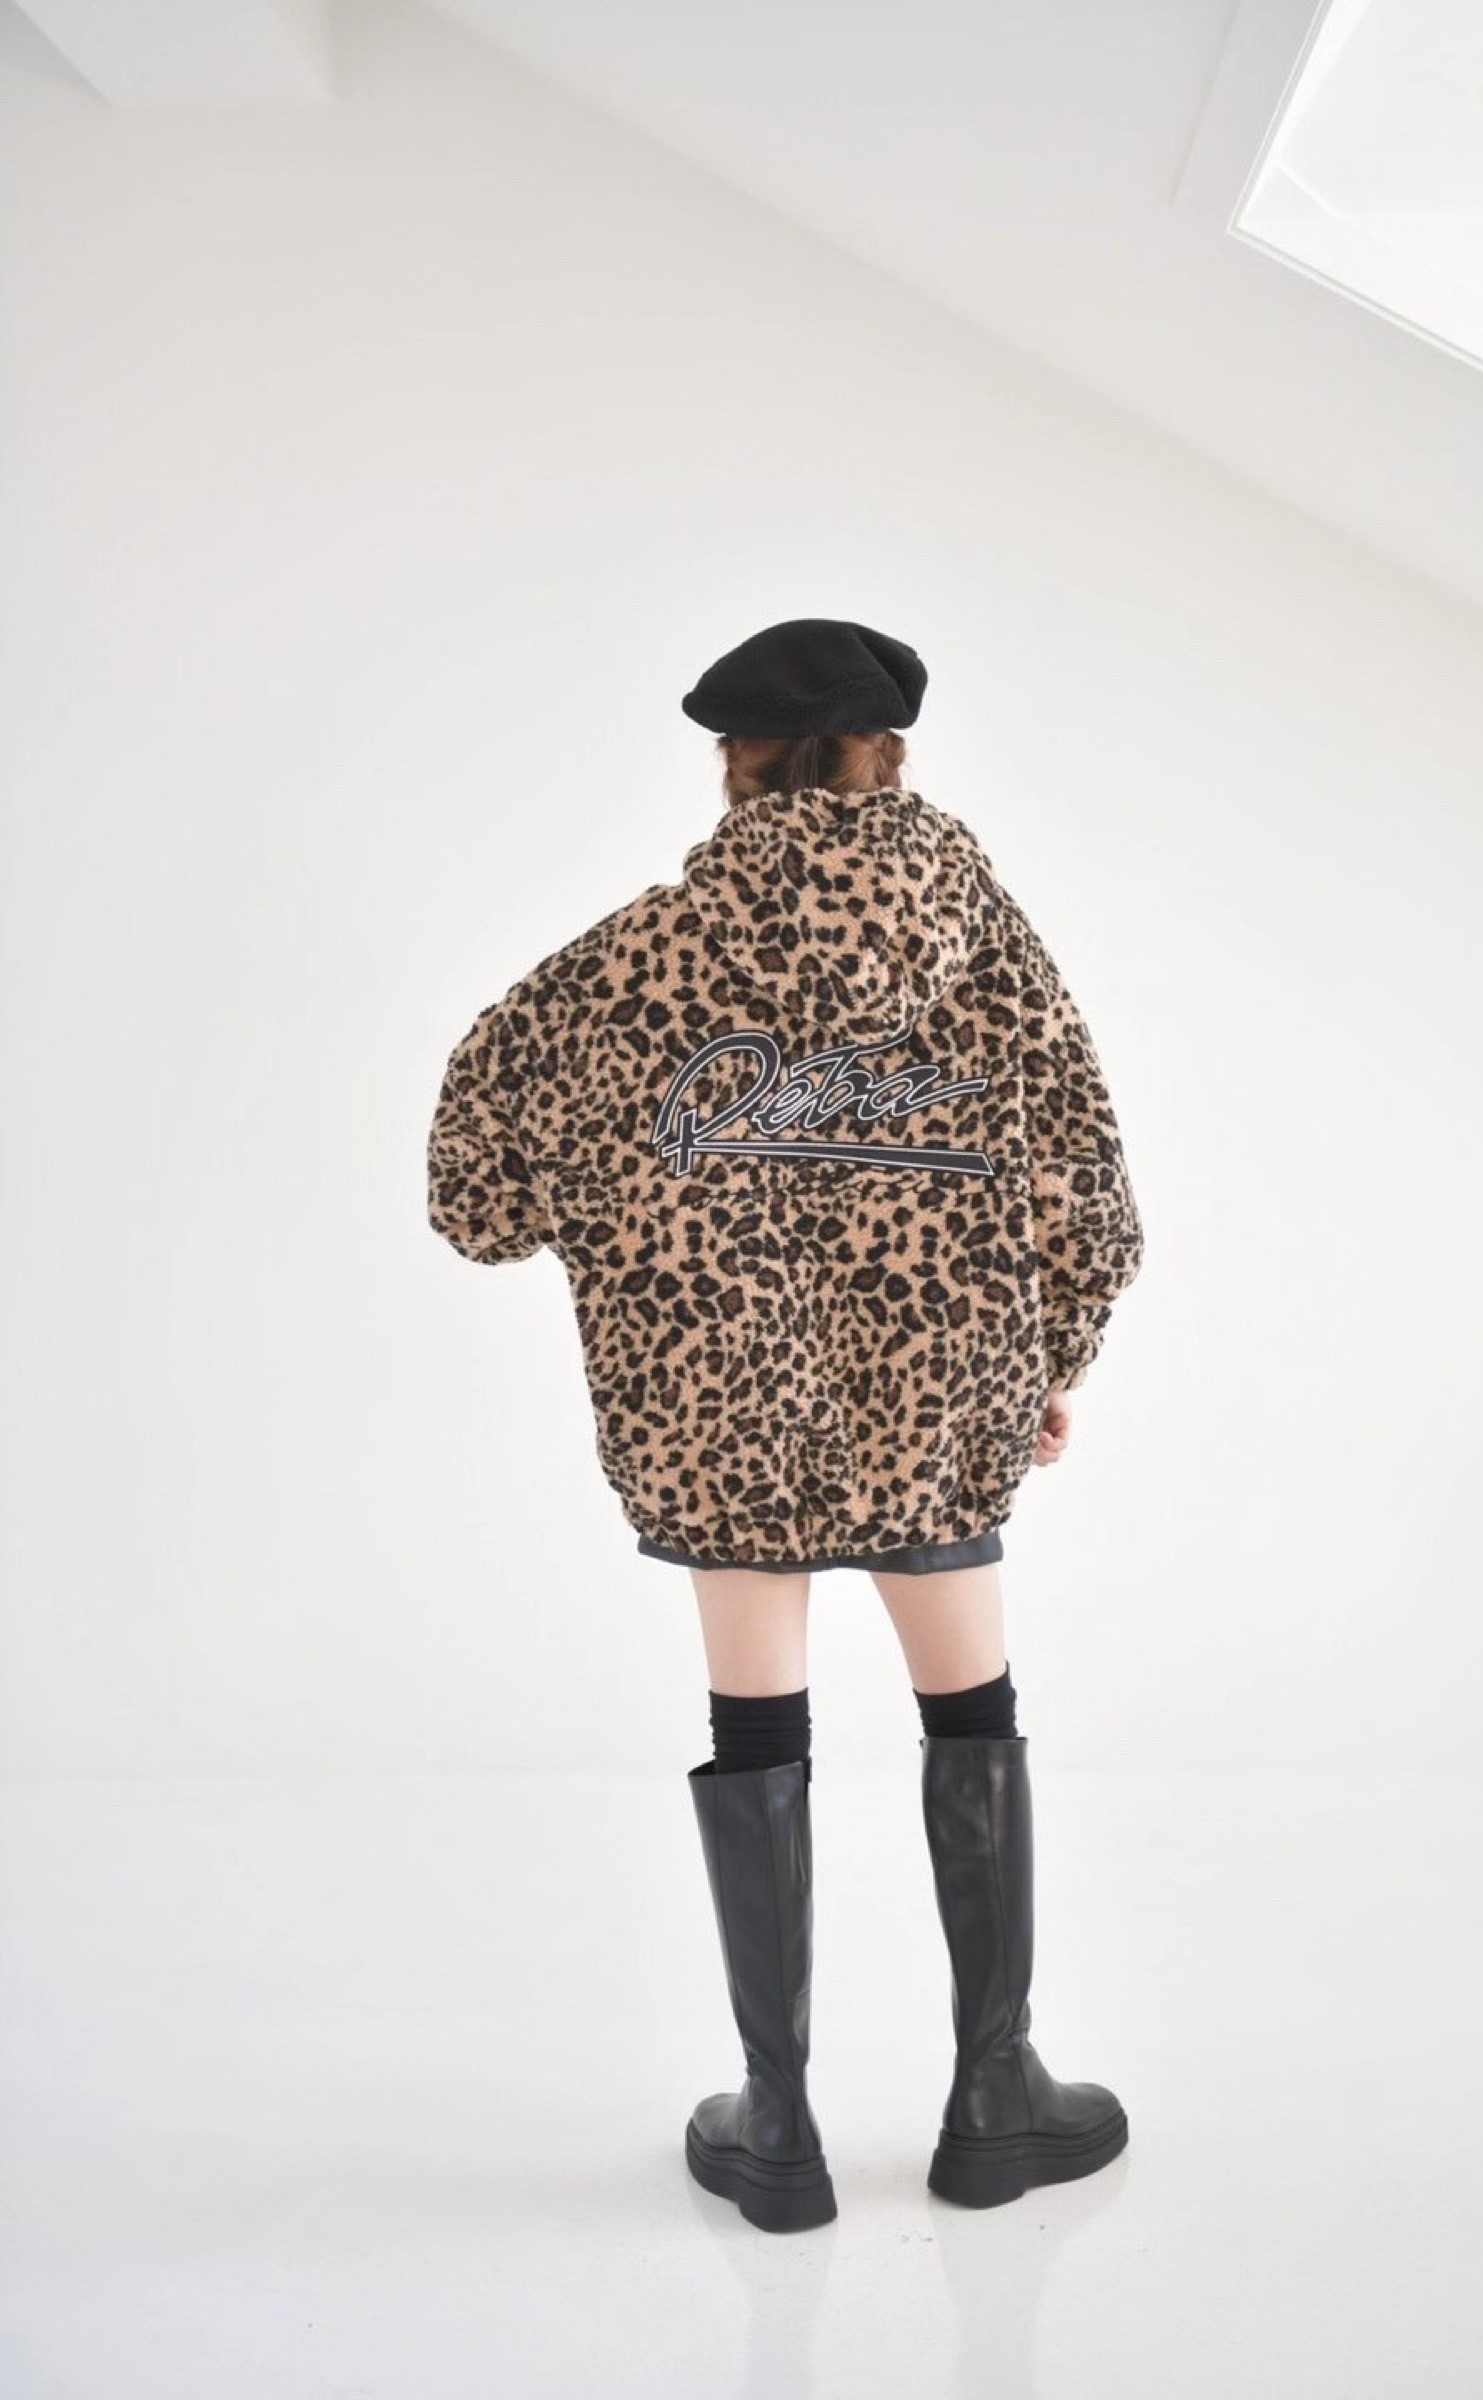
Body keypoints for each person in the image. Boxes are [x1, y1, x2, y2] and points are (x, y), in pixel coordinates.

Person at [426, 616, 1145, 2233]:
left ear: (734, 765)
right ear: (891, 758)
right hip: (941, 1396)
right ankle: (995, 2096)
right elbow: (1086, 1172)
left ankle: (780, 2130)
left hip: (714, 1403)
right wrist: (1054, 1354)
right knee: (972, 1708)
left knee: (759, 1730)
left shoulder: (631, 961)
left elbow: (475, 1191)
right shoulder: (983, 934)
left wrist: (638, 1190)